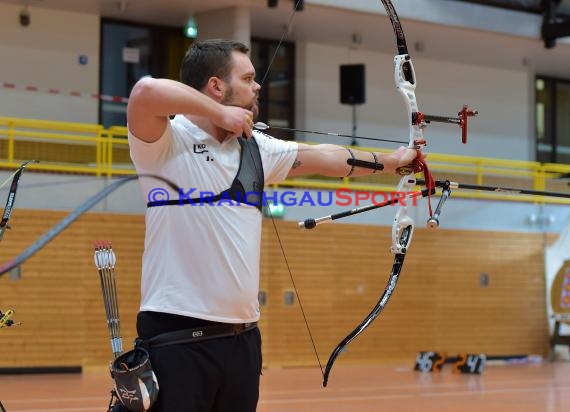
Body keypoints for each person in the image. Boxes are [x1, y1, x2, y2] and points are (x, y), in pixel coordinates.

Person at [126, 38, 418, 412]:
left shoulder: (253, 148)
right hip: (178, 338)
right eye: (247, 78)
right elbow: (145, 92)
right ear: (216, 86)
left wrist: (392, 161)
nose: (257, 85)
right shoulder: (166, 142)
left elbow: (324, 158)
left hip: (242, 340)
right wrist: (218, 114)